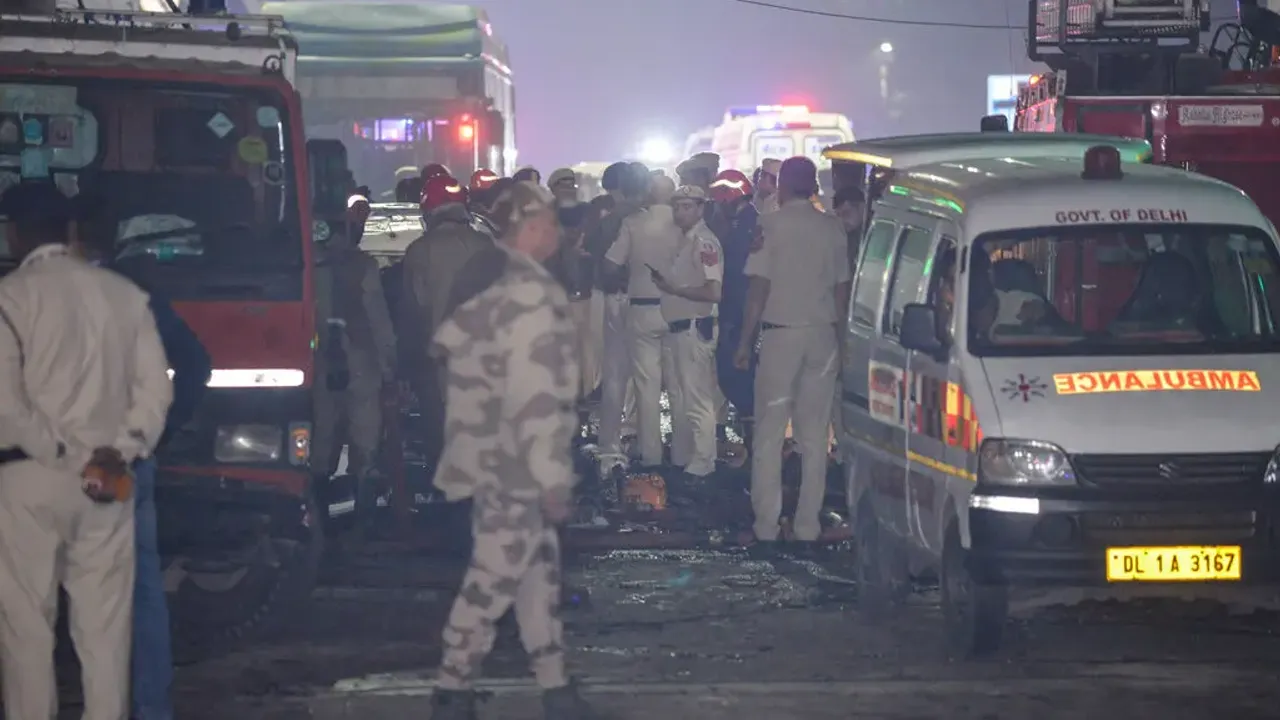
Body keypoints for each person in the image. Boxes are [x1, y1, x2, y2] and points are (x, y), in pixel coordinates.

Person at [0, 182, 173, 720]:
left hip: (26, 480)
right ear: (69, 229)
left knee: (27, 630)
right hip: (108, 478)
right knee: (106, 635)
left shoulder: (10, 298)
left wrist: (58, 450)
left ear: (14, 233)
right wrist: (122, 448)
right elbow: (156, 391)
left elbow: (6, 406)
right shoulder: (125, 296)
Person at [429, 181, 589, 720]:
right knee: (492, 579)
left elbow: (446, 342)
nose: (557, 233)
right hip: (515, 466)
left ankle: (556, 688)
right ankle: (452, 689)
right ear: (531, 227)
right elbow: (534, 397)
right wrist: (552, 478)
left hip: (489, 453)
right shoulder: (532, 297)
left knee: (537, 578)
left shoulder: (495, 282)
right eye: (550, 222)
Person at [73, 190, 212, 720]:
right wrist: (160, 433)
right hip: (126, 460)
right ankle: (149, 707)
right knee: (141, 592)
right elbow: (195, 364)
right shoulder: (139, 296)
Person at [736, 157, 849, 555]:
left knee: (769, 433)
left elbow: (758, 289)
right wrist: (843, 344)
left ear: (782, 185)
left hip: (780, 335)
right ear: (814, 186)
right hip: (823, 336)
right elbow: (841, 291)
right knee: (814, 437)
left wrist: (744, 342)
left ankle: (767, 525)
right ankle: (807, 527)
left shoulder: (770, 225)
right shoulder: (832, 228)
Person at [312, 190, 397, 533]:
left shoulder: (308, 266)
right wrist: (390, 369)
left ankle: (317, 516)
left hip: (317, 362)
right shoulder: (363, 266)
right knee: (365, 439)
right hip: (360, 360)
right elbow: (378, 321)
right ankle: (363, 518)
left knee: (321, 439)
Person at [400, 175, 495, 477]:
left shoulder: (420, 251)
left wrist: (408, 361)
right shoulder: (486, 245)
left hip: (441, 358)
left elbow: (413, 311)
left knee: (441, 429)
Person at [604, 165, 685, 469]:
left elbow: (611, 264)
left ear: (650, 193)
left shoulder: (633, 223)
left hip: (642, 309)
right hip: (678, 311)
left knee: (646, 387)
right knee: (678, 386)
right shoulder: (685, 224)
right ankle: (682, 455)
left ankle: (651, 456)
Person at [652, 186, 723, 479]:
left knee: (697, 400)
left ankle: (704, 462)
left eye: (687, 207)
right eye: (677, 207)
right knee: (681, 400)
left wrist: (674, 290)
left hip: (694, 326)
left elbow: (714, 291)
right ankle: (687, 458)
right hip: (678, 328)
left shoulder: (704, 242)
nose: (680, 212)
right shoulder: (684, 240)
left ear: (700, 208)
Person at [584, 163, 646, 474]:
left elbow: (594, 254)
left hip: (614, 298)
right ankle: (640, 437)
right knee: (645, 375)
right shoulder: (649, 216)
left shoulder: (610, 219)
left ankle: (610, 443)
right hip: (647, 301)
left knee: (615, 374)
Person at [709, 169, 759, 453]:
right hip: (744, 313)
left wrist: (731, 319)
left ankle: (754, 444)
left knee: (735, 377)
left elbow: (738, 279)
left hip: (738, 314)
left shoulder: (744, 228)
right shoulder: (750, 222)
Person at [832, 185, 866, 273]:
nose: (842, 220)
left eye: (846, 213)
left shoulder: (876, 232)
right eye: (838, 216)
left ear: (861, 208)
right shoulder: (843, 238)